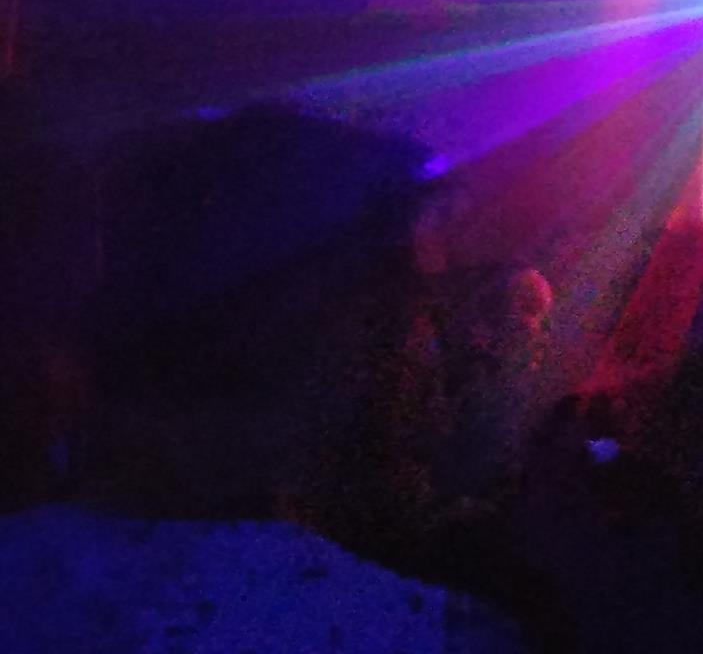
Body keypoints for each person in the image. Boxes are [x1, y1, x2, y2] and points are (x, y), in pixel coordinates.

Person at [0, 108, 525, 652]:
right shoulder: (434, 635)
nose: (427, 351)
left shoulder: (26, 580)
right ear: (326, 326)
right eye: (413, 309)